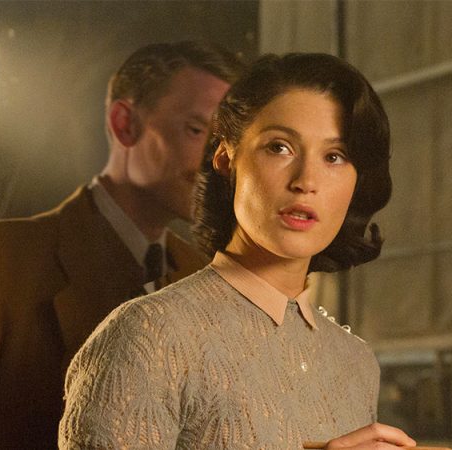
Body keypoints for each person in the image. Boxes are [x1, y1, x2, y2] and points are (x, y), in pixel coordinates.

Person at [59, 53, 417, 449]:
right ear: (226, 158)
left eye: (335, 157)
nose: (306, 181)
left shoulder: (355, 361)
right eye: (280, 147)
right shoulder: (150, 334)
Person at [0, 41, 243, 449]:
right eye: (197, 130)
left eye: (226, 142)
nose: (217, 163)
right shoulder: (7, 259)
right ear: (124, 123)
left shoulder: (204, 276)